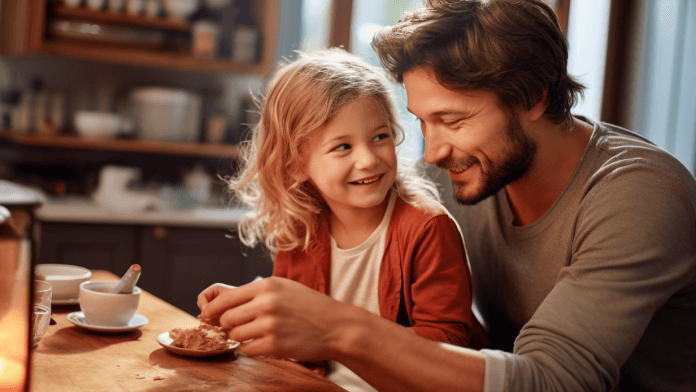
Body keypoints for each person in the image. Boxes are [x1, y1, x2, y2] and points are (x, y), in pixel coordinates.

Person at [199, 1, 696, 391]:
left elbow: (555, 381)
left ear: (533, 97)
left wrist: (336, 328)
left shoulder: (640, 195)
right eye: (419, 122)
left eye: (453, 121)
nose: (431, 152)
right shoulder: (460, 172)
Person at [202, 48, 485, 391]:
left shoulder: (428, 229)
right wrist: (248, 309)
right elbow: (292, 339)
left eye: (380, 137)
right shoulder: (300, 232)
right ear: (296, 165)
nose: (368, 160)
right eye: (343, 147)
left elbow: (447, 347)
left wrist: (339, 334)